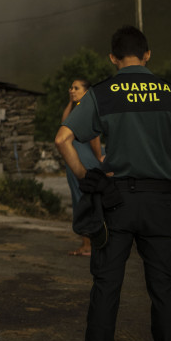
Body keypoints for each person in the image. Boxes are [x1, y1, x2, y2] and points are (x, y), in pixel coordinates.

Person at [55, 26, 171, 341]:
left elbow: (63, 138)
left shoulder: (102, 93)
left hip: (115, 200)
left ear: (113, 58)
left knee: (106, 287)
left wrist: (87, 175)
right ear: (148, 54)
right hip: (160, 202)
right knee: (164, 291)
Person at [62, 78, 102, 256]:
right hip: (74, 160)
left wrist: (99, 156)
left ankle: (89, 245)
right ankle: (88, 244)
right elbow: (63, 126)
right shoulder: (77, 110)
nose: (71, 90)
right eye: (71, 87)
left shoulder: (88, 110)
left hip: (84, 160)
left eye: (76, 88)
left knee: (86, 200)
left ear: (86, 92)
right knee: (80, 199)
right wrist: (71, 102)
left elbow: (94, 136)